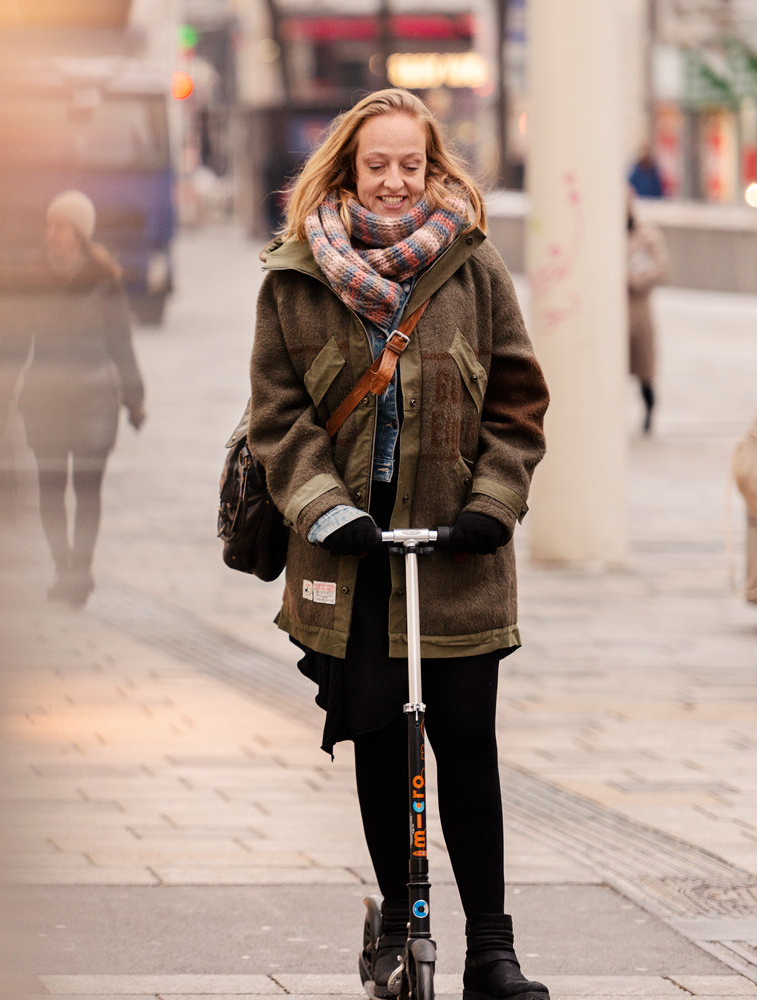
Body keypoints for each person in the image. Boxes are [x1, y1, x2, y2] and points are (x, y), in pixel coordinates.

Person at [247, 89, 550, 1000]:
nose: (392, 181)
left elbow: (518, 400)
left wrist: (495, 500)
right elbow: (279, 415)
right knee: (381, 737)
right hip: (351, 553)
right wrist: (323, 505)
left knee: (465, 739)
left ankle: (491, 953)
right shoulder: (296, 277)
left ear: (432, 168)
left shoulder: (472, 265)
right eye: (375, 164)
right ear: (347, 167)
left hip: (457, 550)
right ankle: (401, 923)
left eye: (408, 165)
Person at [17, 189, 146, 607]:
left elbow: (120, 343)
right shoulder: (32, 276)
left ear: (79, 233)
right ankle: (63, 568)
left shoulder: (105, 280)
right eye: (50, 225)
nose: (52, 234)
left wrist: (134, 398)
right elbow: (14, 341)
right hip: (46, 398)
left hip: (94, 399)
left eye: (62, 227)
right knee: (50, 489)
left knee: (87, 491)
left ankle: (81, 571)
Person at [627, 188, 668, 432]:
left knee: (644, 369)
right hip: (613, 314)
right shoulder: (603, 233)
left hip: (639, 310)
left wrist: (636, 279)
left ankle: (649, 411)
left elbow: (660, 266)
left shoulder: (646, 234)